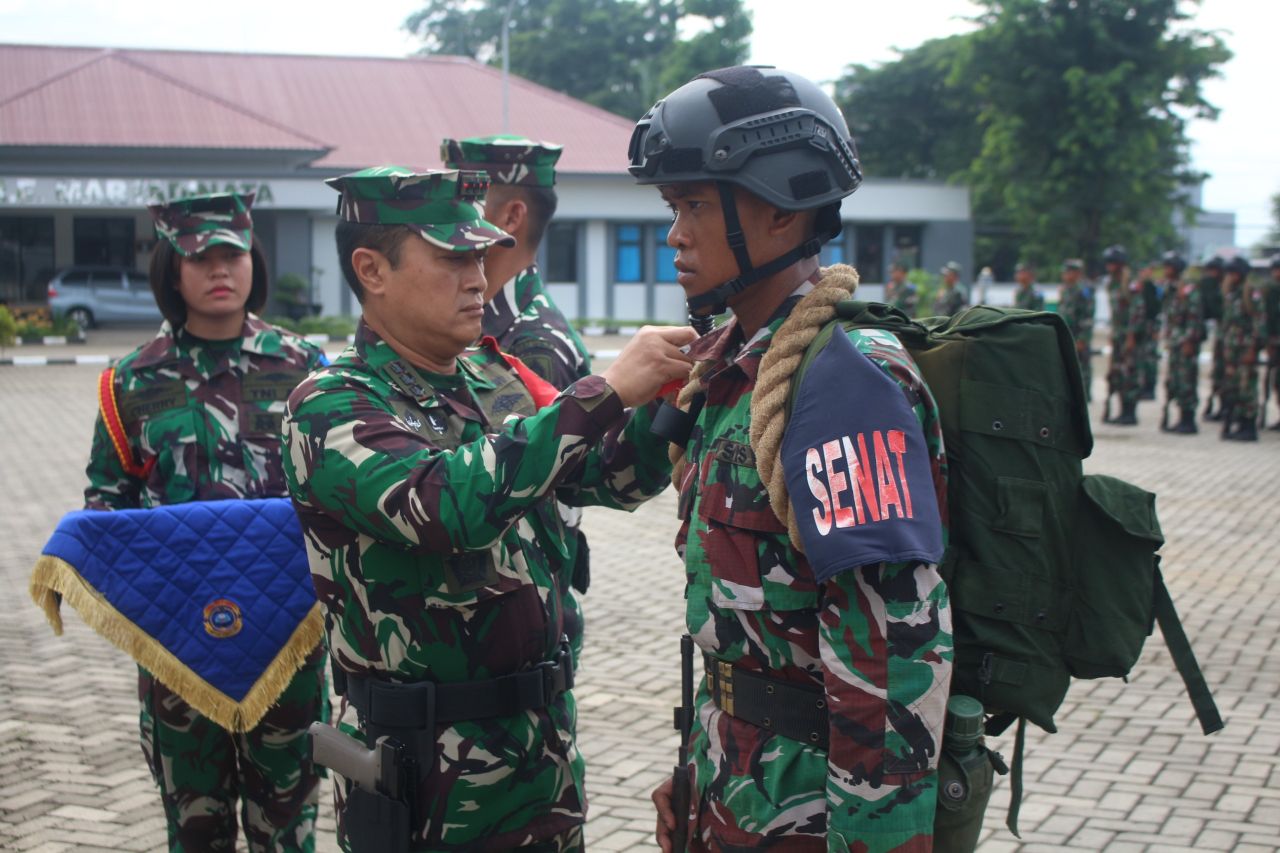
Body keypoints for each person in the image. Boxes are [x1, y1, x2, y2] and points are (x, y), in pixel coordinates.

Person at [281, 166, 695, 852]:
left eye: (480, 255)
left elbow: (606, 477)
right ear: (371, 270)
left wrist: (673, 404)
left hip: (541, 756)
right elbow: (445, 506)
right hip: (424, 771)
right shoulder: (330, 406)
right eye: (452, 258)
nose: (478, 276)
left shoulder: (495, 378)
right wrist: (604, 391)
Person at [629, 66, 951, 851]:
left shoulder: (845, 384)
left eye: (695, 206)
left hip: (814, 808)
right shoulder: (731, 368)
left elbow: (891, 656)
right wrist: (702, 772)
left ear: (778, 211)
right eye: (674, 208)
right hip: (740, 783)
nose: (674, 235)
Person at [81, 192, 328, 851]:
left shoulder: (306, 370)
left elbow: (336, 493)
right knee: (196, 830)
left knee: (287, 832)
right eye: (201, 257)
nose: (221, 270)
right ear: (172, 269)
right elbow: (107, 503)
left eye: (234, 255)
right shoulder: (130, 381)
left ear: (254, 262)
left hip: (286, 645)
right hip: (179, 651)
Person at [441, 134, 594, 668]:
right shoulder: (482, 323)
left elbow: (519, 492)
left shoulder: (531, 343)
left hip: (513, 612)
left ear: (509, 217)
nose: (448, 216)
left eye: (466, 200)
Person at [1220, 256, 1267, 441]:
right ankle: (1239, 423)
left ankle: (1249, 426)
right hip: (1233, 348)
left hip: (1247, 347)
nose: (1231, 276)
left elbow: (1259, 322)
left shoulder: (1251, 293)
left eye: (1234, 273)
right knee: (1235, 387)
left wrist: (1253, 349)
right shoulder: (1232, 293)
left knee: (1248, 386)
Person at [1161, 253, 1206, 434]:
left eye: (1168, 266)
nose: (1165, 270)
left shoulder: (1188, 289)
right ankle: (1181, 418)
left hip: (1186, 343)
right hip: (1175, 343)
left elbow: (1194, 318)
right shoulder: (1170, 289)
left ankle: (1189, 420)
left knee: (1187, 379)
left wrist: (1189, 341)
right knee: (1176, 380)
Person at [1099, 245, 1143, 425]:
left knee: (1130, 372)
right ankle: (1121, 409)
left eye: (1113, 262)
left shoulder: (1130, 283)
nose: (1109, 265)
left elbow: (1137, 310)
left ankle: (1130, 412)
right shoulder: (1112, 283)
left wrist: (1132, 336)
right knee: (1116, 373)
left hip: (1129, 336)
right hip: (1118, 335)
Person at [1056, 258, 1095, 402]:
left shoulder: (1084, 290)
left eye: (1069, 272)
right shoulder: (1065, 289)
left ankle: (1085, 394)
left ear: (1077, 273)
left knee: (1082, 365)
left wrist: (1083, 338)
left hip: (1079, 334)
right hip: (1067, 332)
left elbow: (1088, 315)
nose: (1066, 275)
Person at [1201, 256, 1228, 420]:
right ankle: (1220, 406)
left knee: (1228, 374)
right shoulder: (1212, 287)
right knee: (1218, 373)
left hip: (1232, 338)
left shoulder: (1227, 290)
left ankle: (1228, 408)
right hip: (1222, 336)